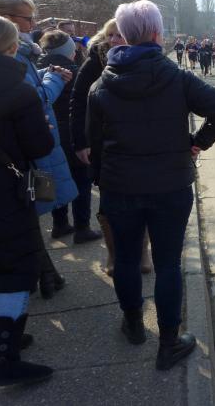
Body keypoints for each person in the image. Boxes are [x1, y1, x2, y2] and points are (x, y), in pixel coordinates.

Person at [87, 0, 215, 370]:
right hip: (170, 183)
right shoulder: (176, 77)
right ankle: (168, 342)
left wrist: (103, 182)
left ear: (124, 34)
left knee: (126, 258)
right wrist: (197, 142)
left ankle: (134, 324)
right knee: (168, 262)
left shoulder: (101, 85)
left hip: (120, 185)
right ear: (156, 33)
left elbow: (95, 144)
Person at [0, 15, 55, 387]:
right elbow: (39, 146)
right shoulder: (18, 89)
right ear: (12, 48)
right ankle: (4, 359)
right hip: (3, 196)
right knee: (14, 273)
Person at [0, 0, 77, 299]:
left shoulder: (18, 52)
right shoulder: (12, 54)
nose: (34, 24)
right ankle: (42, 276)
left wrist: (44, 74)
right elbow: (34, 99)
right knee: (28, 214)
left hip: (21, 153)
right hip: (26, 154)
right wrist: (55, 80)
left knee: (31, 215)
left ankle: (47, 273)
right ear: (9, 19)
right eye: (28, 18)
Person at [70, 19, 152, 276]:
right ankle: (113, 253)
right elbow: (77, 101)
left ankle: (143, 251)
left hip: (138, 143)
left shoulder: (144, 60)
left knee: (143, 197)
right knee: (108, 201)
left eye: (120, 35)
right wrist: (80, 142)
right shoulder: (95, 61)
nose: (115, 40)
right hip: (103, 143)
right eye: (110, 35)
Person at [37, 30, 102, 244]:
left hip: (47, 135)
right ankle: (82, 227)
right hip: (72, 135)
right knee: (81, 181)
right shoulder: (74, 72)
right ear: (68, 52)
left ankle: (60, 224)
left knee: (55, 179)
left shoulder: (35, 70)